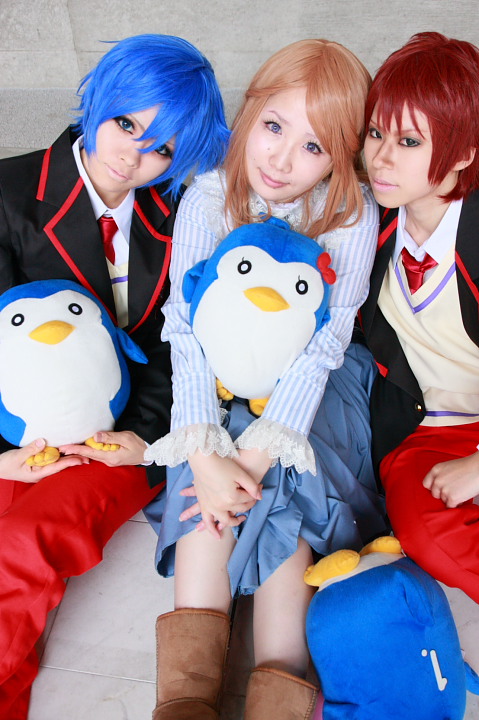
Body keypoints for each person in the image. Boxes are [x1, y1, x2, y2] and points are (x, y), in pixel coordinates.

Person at [145, 38, 388, 720]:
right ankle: (185, 697)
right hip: (217, 378)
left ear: (340, 157)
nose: (281, 160)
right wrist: (206, 455)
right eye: (274, 127)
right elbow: (186, 330)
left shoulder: (349, 212)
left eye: (313, 146)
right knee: (204, 488)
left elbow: (323, 348)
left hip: (314, 390)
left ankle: (278, 692)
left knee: (285, 483)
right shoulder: (208, 196)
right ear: (249, 111)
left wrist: (252, 460)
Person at [0, 33, 229, 720]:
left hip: (116, 441)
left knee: (24, 542)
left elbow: (177, 344)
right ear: (99, 97)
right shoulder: (9, 193)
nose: (134, 154)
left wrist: (143, 438)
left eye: (161, 147)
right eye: (126, 123)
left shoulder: (182, 213)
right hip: (17, 438)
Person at [360, 33, 479, 625]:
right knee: (428, 536)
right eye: (375, 133)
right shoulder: (369, 226)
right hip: (428, 428)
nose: (382, 158)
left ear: (462, 153)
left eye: (409, 141)